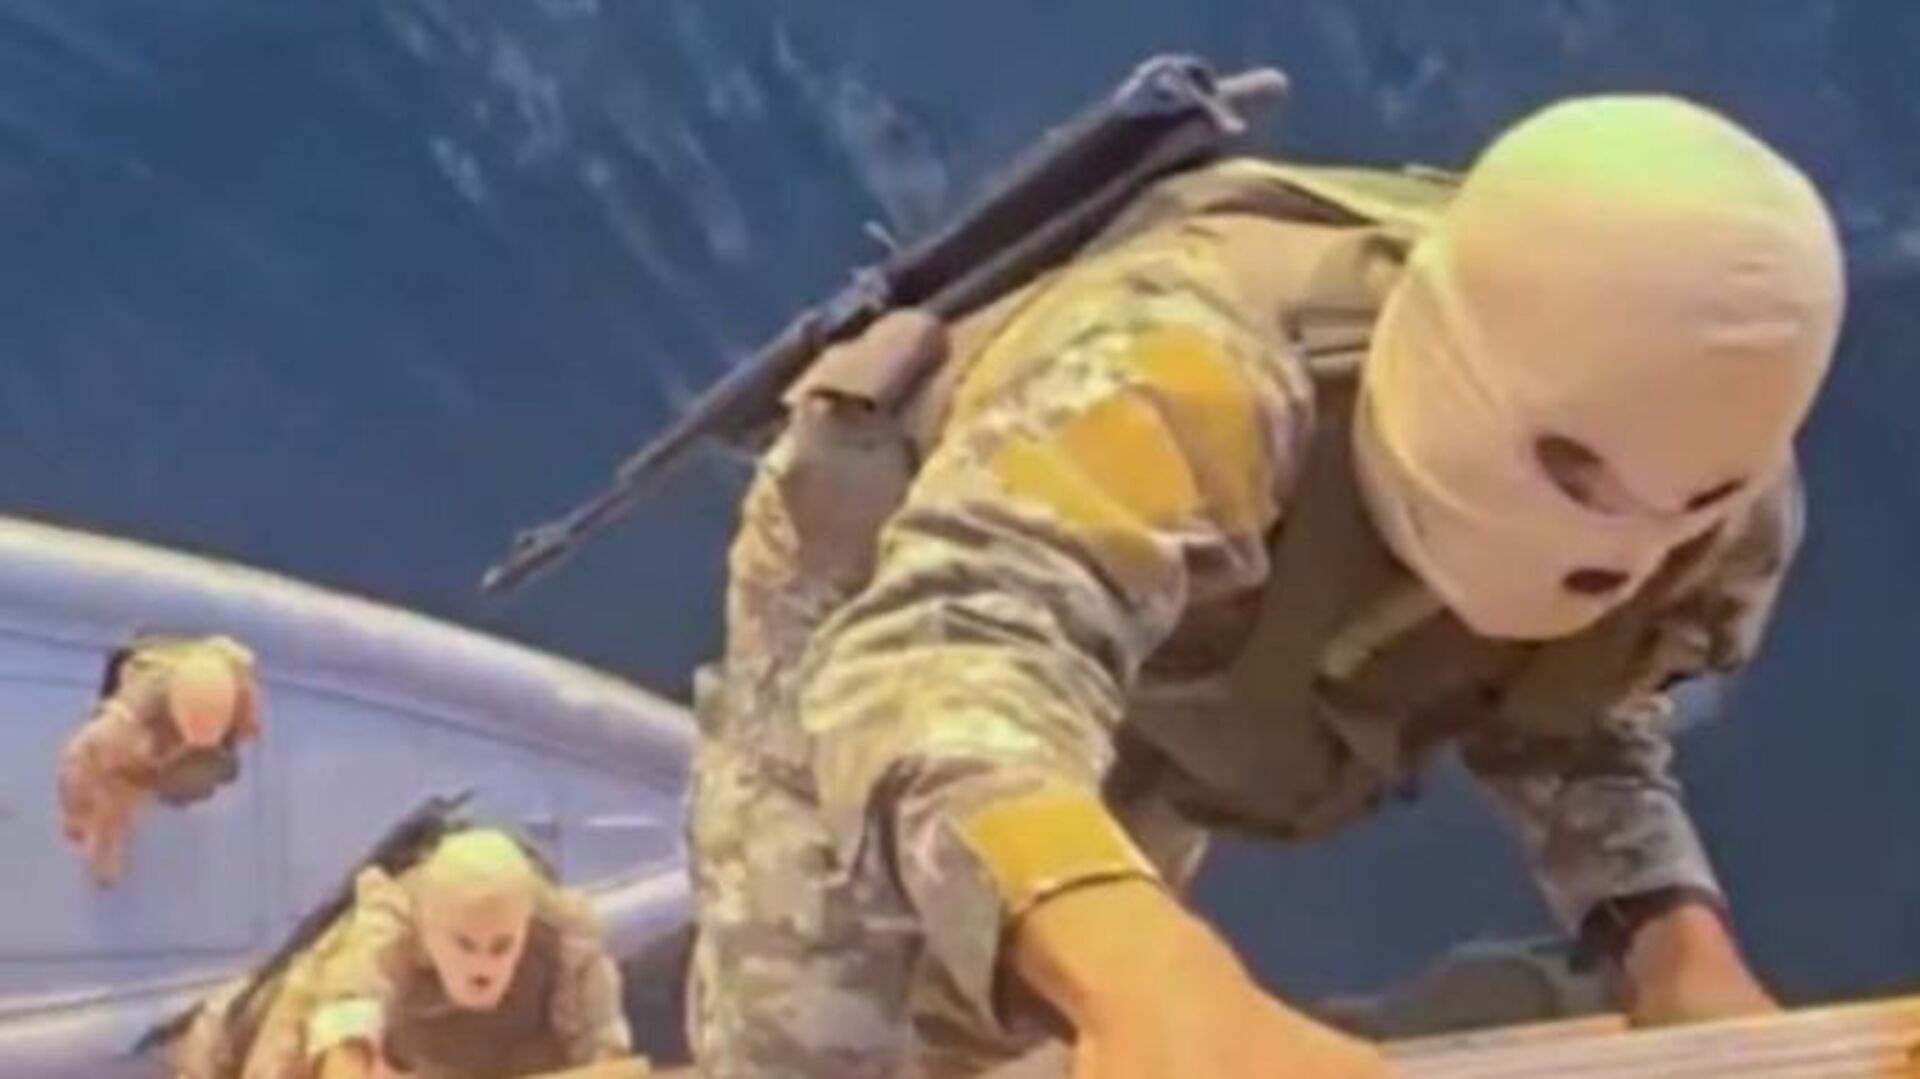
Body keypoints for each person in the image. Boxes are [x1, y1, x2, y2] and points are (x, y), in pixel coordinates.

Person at [686, 90, 1845, 1078]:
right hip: (898, 593)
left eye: (1687, 504)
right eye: (1573, 471)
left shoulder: (1714, 492)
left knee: (1074, 1003)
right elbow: (945, 663)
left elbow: (1575, 702)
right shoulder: (1184, 377)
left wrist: (1675, 948)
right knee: (833, 1035)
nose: (1620, 545)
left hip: (1202, 664)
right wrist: (1147, 970)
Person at [170, 827, 646, 1079]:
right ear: (428, 932)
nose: (482, 966)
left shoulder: (566, 942)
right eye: (464, 944)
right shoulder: (385, 928)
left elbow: (612, 1065)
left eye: (501, 946)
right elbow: (339, 1039)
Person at [57, 632, 261, 885]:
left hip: (185, 718)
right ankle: (103, 842)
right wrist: (76, 811)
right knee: (118, 781)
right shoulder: (128, 721)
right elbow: (81, 753)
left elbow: (248, 716)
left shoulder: (235, 683)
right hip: (132, 740)